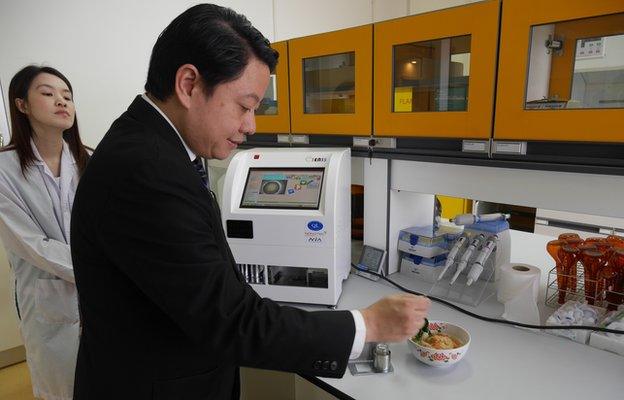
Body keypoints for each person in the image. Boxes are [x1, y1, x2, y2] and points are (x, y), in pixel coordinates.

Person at [70, 4, 430, 399]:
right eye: (244, 105)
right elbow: (231, 321)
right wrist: (367, 324)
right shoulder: (145, 170)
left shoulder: (155, 147)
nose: (251, 125)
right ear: (189, 84)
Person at [0, 65, 90, 400]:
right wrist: (96, 268)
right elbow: (31, 243)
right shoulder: (4, 169)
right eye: (48, 93)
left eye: (67, 95)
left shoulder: (89, 161)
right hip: (47, 300)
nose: (61, 101)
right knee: (59, 387)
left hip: (100, 297)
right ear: (21, 105)